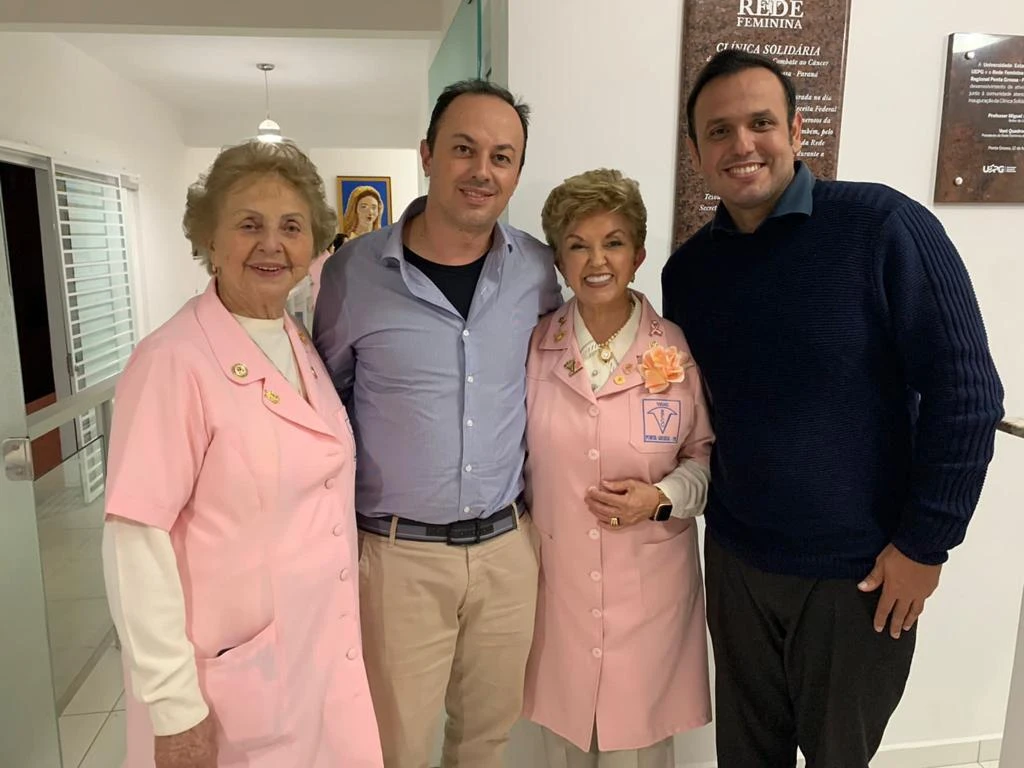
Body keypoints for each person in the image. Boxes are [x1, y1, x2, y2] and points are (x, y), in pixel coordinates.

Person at [662, 49, 1004, 768]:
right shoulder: (688, 274)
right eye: (719, 131)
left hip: (859, 576)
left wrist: (925, 545)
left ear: (796, 129)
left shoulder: (883, 227)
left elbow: (967, 396)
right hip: (737, 562)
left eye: (761, 123)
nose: (742, 144)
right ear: (697, 153)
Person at [102, 140, 383, 768]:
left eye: (291, 227)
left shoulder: (293, 337)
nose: (272, 245)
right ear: (209, 237)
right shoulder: (172, 361)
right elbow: (134, 543)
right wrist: (174, 707)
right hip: (233, 683)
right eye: (249, 225)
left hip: (314, 657)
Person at [313, 79, 561, 768]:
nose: (482, 170)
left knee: (486, 742)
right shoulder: (354, 273)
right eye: (463, 148)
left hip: (508, 551)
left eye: (502, 157)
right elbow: (326, 405)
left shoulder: (538, 270)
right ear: (427, 154)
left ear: (516, 172)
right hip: (398, 559)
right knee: (395, 748)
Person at [522, 168, 713, 767]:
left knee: (642, 750)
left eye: (613, 242)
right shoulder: (534, 348)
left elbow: (704, 458)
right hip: (559, 590)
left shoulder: (675, 349)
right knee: (563, 747)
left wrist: (659, 497)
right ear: (559, 260)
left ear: (638, 255)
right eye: (578, 245)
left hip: (650, 593)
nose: (597, 260)